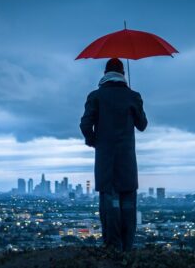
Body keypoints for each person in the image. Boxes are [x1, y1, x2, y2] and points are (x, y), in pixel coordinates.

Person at [80, 58, 147, 251]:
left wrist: (93, 141)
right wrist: (134, 102)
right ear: (123, 74)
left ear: (104, 74)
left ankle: (111, 246)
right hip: (127, 160)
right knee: (128, 203)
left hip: (105, 159)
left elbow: (85, 124)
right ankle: (127, 247)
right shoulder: (133, 96)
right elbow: (142, 125)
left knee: (110, 202)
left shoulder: (96, 96)